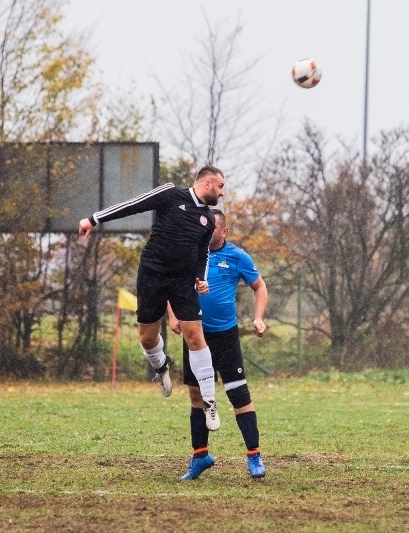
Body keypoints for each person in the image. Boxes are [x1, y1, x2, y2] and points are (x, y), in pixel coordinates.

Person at [78, 165, 225, 431]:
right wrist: (94, 218)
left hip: (182, 283)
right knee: (147, 337)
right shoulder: (170, 194)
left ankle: (210, 401)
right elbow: (133, 205)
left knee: (195, 337)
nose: (222, 193)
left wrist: (201, 278)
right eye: (220, 186)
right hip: (153, 274)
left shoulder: (208, 219)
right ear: (207, 184)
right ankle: (161, 367)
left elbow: (202, 253)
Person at [168, 209, 268, 480]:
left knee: (239, 395)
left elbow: (259, 286)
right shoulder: (190, 253)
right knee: (196, 397)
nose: (205, 230)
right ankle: (200, 456)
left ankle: (254, 456)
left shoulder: (237, 256)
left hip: (225, 337)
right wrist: (174, 315)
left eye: (211, 227)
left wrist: (258, 318)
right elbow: (172, 285)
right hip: (195, 334)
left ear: (223, 232)